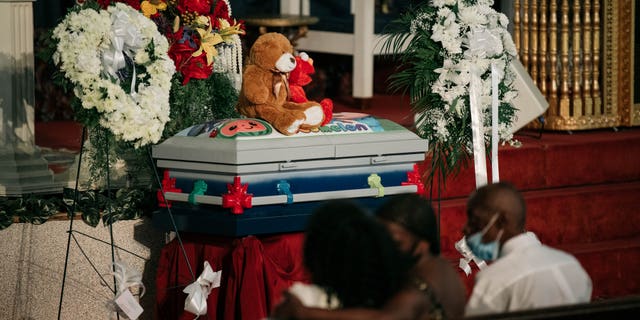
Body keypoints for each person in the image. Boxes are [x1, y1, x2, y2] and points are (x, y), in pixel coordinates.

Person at [273, 195, 466, 319]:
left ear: (422, 245)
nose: (383, 247)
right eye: (380, 238)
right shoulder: (438, 265)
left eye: (394, 242)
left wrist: (303, 312)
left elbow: (383, 319)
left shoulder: (419, 285)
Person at [461, 182, 592, 316]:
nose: (465, 229)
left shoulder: (494, 281)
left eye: (475, 222)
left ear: (501, 221)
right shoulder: (571, 265)